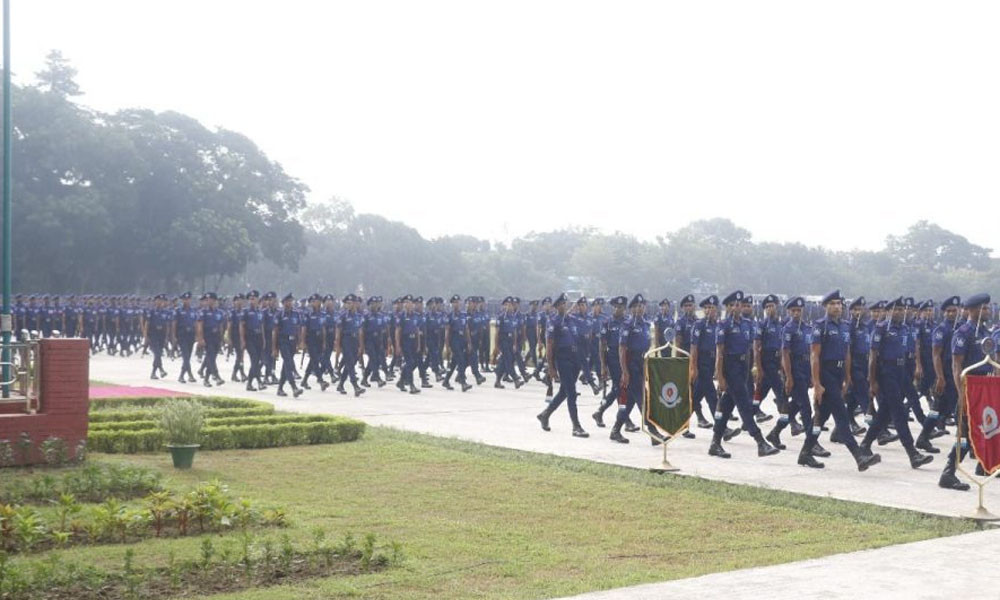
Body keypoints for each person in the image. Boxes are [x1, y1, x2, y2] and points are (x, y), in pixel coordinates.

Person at [809, 290, 883, 471]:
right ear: (825, 306)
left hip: (838, 373)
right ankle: (859, 456)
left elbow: (847, 353)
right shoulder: (820, 326)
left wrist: (847, 377)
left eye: (839, 303)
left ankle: (805, 451)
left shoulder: (844, 326)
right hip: (826, 373)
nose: (837, 307)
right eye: (832, 303)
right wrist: (817, 384)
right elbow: (814, 356)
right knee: (842, 416)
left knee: (821, 416)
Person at [860, 297, 932, 468]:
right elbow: (873, 356)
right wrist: (872, 381)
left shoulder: (906, 329)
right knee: (899, 412)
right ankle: (912, 453)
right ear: (889, 311)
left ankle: (865, 444)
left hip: (902, 373)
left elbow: (909, 353)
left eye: (902, 309)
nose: (900, 312)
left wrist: (912, 373)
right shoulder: (881, 328)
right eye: (896, 309)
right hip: (886, 372)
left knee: (885, 412)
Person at [709, 291, 779, 459]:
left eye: (738, 304)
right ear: (727, 307)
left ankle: (715, 443)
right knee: (744, 406)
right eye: (731, 305)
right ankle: (760, 441)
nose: (735, 307)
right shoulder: (723, 325)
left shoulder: (747, 324)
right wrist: (720, 377)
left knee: (725, 407)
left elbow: (749, 351)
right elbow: (719, 353)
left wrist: (751, 370)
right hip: (730, 367)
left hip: (742, 368)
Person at [938, 293, 992, 490]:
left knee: (983, 429)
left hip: (984, 386)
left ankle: (982, 465)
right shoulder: (964, 332)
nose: (987, 311)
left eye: (987, 308)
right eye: (983, 308)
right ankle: (948, 473)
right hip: (970, 387)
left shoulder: (984, 331)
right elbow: (956, 365)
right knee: (965, 434)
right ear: (972, 310)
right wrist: (962, 394)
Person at [536, 293, 588, 437]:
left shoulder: (572, 320)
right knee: (571, 393)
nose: (565, 306)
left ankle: (545, 414)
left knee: (564, 391)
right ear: (558, 306)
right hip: (563, 359)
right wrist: (551, 367)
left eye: (566, 304)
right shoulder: (553, 321)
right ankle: (576, 426)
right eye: (562, 304)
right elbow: (550, 345)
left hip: (574, 359)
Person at [915, 296, 961, 453]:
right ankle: (924, 437)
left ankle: (924, 436)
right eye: (948, 311)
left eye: (954, 311)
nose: (952, 314)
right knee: (944, 409)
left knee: (943, 409)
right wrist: (940, 377)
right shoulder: (941, 329)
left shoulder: (960, 327)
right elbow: (936, 355)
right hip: (946, 374)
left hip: (958, 374)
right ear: (943, 313)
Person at [592, 295, 627, 430]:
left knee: (617, 389)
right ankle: (625, 419)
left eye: (621, 307)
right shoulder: (607, 323)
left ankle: (599, 411)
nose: (619, 310)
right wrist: (602, 366)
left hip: (624, 357)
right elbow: (602, 345)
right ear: (613, 307)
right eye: (617, 307)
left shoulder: (628, 322)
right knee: (619, 388)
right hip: (612, 357)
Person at [690, 295, 720, 430]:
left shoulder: (718, 326)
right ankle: (721, 428)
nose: (708, 310)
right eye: (706, 308)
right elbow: (694, 347)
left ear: (716, 310)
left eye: (711, 308)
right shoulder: (699, 325)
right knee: (712, 396)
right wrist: (693, 367)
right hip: (702, 363)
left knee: (696, 397)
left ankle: (678, 423)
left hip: (712, 361)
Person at [753, 294, 784, 427]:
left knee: (762, 390)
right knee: (779, 389)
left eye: (772, 306)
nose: (769, 309)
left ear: (777, 307)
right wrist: (759, 367)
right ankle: (790, 417)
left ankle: (752, 413)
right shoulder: (762, 325)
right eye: (767, 307)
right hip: (767, 360)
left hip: (778, 359)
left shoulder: (782, 324)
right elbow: (757, 346)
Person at [272, 293, 304, 398]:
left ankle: (280, 388)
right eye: (287, 301)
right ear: (283, 303)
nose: (289, 303)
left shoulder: (296, 314)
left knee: (286, 365)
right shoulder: (279, 314)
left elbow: (298, 329)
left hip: (293, 341)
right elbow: (275, 332)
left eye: (291, 301)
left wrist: (300, 342)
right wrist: (274, 348)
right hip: (283, 341)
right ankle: (294, 387)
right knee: (289, 363)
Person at [335, 294, 366, 397]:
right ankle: (355, 386)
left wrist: (361, 346)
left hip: (355, 341)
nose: (349, 305)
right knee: (349, 363)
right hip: (346, 340)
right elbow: (338, 331)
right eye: (347, 303)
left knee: (351, 364)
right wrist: (338, 345)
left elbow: (360, 332)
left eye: (351, 303)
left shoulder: (359, 316)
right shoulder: (343, 315)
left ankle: (340, 384)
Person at [443, 294, 474, 392]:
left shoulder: (463, 315)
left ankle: (446, 380)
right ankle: (463, 382)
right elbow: (447, 332)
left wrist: (469, 342)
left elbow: (466, 329)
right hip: (454, 340)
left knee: (454, 363)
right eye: (455, 302)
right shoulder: (449, 316)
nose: (457, 304)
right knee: (461, 360)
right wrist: (447, 347)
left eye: (458, 302)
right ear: (452, 304)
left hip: (462, 340)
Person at [395, 295, 422, 394]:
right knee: (410, 362)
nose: (407, 304)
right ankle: (411, 385)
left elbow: (417, 330)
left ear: (413, 304)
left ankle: (401, 381)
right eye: (405, 302)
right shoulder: (401, 316)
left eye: (409, 302)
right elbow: (397, 331)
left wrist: (418, 344)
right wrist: (397, 346)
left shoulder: (416, 315)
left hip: (413, 341)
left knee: (413, 362)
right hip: (405, 341)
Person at [143, 294, 171, 380]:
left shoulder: (165, 312)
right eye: (158, 300)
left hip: (161, 335)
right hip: (153, 334)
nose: (160, 302)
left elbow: (167, 325)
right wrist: (145, 336)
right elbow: (147, 324)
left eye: (162, 300)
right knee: (157, 353)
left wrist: (167, 337)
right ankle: (161, 370)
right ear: (155, 301)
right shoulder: (151, 311)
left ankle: (154, 373)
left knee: (158, 354)